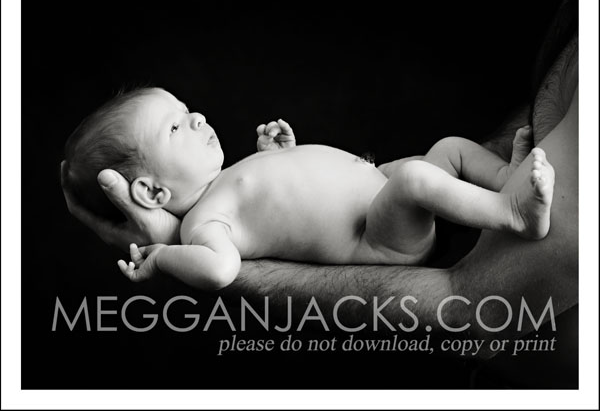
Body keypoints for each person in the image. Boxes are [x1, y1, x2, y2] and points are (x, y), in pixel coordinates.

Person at [63, 85, 555, 291]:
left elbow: (289, 205)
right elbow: (219, 271)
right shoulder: (201, 226)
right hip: (380, 237)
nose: (196, 116)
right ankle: (514, 211)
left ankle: (502, 180)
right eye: (174, 128)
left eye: (185, 109)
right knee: (415, 178)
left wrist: (276, 157)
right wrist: (161, 256)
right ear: (152, 194)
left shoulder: (228, 183)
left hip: (377, 184)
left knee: (447, 150)